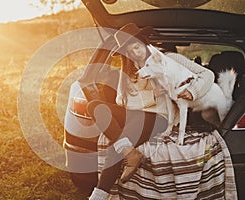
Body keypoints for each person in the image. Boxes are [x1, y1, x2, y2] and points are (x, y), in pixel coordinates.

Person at [88, 23, 215, 200]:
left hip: (159, 117)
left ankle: (97, 196)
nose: (134, 53)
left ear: (144, 43)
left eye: (136, 47)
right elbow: (121, 101)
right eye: (129, 51)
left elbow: (207, 75)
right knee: (94, 106)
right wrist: (151, 95)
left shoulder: (169, 59)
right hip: (135, 114)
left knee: (115, 142)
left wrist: (193, 92)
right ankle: (130, 153)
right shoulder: (128, 71)